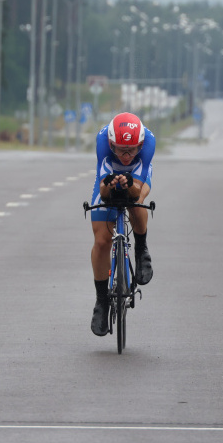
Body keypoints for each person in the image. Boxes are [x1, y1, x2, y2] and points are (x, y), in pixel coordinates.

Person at [89, 112, 155, 337]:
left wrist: (129, 186)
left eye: (132, 150)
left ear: (140, 145)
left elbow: (137, 191)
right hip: (108, 176)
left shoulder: (148, 143)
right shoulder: (102, 144)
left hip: (138, 177)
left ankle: (141, 249)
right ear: (110, 144)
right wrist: (112, 183)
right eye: (120, 149)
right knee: (101, 241)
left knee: (136, 203)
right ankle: (101, 301)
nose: (126, 156)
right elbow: (104, 191)